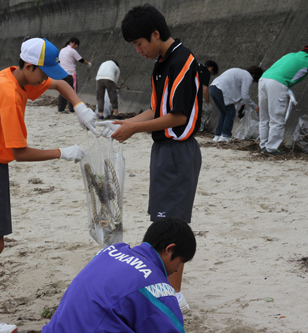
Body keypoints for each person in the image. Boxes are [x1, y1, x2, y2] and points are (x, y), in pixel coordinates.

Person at [0, 37, 100, 333]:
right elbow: (19, 153)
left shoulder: (8, 74)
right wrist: (63, 153)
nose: (46, 77)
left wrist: (79, 107)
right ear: (28, 66)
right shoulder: (11, 95)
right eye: (42, 71)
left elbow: (59, 84)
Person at [98, 4, 202, 313]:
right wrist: (125, 122)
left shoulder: (184, 61)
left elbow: (177, 116)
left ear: (156, 34)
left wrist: (134, 129)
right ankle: (167, 290)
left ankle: (174, 294)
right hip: (164, 152)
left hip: (178, 152)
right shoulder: (161, 62)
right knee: (161, 220)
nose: (138, 50)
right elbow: (157, 109)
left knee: (172, 225)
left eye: (139, 43)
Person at [42, 217, 197, 333]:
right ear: (169, 250)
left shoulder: (110, 251)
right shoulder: (157, 287)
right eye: (181, 261)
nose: (177, 270)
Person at [209, 66, 264, 142]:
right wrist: (255, 106)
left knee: (224, 112)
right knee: (230, 112)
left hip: (213, 88)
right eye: (254, 80)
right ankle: (225, 136)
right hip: (221, 89)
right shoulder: (248, 77)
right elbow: (245, 96)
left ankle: (218, 135)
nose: (253, 82)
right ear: (254, 75)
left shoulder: (240, 73)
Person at [57, 37, 92, 112]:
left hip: (62, 73)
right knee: (72, 91)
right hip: (70, 74)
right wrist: (88, 64)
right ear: (71, 42)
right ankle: (72, 108)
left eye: (77, 45)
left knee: (62, 91)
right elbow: (81, 60)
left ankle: (61, 108)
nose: (76, 46)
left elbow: (59, 61)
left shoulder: (62, 50)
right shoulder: (72, 51)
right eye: (75, 44)